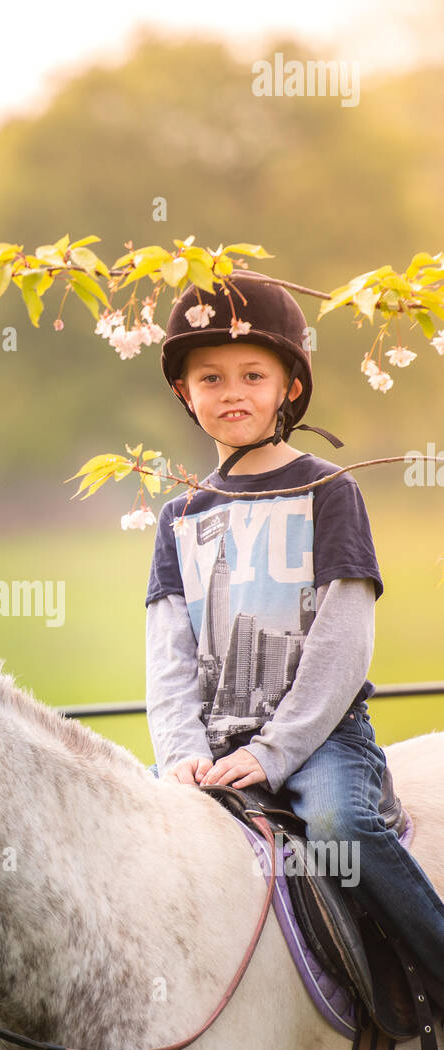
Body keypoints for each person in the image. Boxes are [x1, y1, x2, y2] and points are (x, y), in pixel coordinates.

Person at [144, 270, 444, 984]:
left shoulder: (326, 491)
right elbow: (169, 651)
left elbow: (343, 641)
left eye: (252, 374)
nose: (232, 393)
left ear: (289, 389)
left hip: (319, 738)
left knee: (343, 829)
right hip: (211, 741)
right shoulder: (179, 518)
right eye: (210, 378)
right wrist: (180, 749)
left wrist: (277, 751)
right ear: (186, 395)